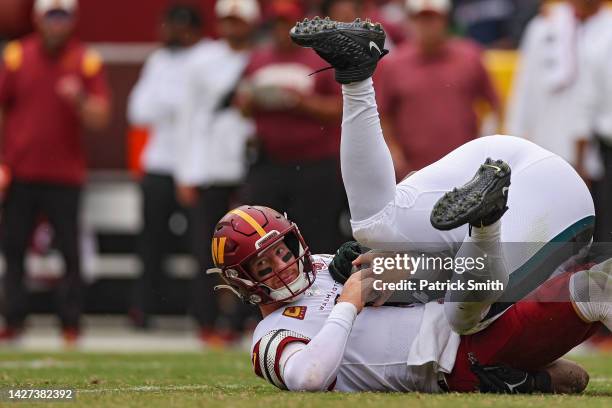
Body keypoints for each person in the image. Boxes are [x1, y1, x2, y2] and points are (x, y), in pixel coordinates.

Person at [208, 204, 609, 393]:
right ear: (243, 282)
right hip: (458, 353)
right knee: (594, 289)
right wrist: (349, 302)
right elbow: (310, 378)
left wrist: (391, 265)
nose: (282, 266)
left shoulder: (322, 265)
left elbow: (409, 285)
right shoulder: (270, 335)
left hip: (464, 313)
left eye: (281, 250)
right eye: (263, 267)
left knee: (574, 376)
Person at [0, 0, 110, 344]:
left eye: (63, 17)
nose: (57, 25)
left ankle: (71, 323)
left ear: (72, 21)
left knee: (70, 253)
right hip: (21, 171)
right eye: (51, 17)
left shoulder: (85, 61)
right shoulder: (17, 56)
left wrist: (78, 100)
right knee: (14, 249)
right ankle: (13, 319)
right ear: (38, 19)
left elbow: (100, 117)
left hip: (65, 175)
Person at [174, 0, 260, 345]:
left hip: (250, 164)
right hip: (210, 166)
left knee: (256, 249)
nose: (232, 27)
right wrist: (186, 172)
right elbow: (188, 119)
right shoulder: (201, 61)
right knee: (207, 250)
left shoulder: (262, 57)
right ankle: (206, 320)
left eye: (238, 20)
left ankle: (250, 318)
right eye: (226, 20)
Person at [235, 0, 345, 254]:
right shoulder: (257, 59)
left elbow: (339, 108)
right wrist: (252, 101)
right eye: (276, 24)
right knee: (264, 238)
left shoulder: (321, 58)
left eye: (287, 24)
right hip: (270, 162)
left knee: (316, 237)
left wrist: (300, 103)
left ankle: (322, 292)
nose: (280, 31)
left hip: (315, 165)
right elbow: (241, 107)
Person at [127, 3, 204, 329]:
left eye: (180, 26)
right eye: (170, 25)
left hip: (197, 165)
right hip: (159, 164)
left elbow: (197, 111)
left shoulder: (206, 58)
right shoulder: (158, 60)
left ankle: (204, 314)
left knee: (202, 243)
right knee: (151, 242)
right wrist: (175, 104)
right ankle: (143, 309)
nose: (174, 32)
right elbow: (138, 111)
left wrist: (171, 104)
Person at [375, 0, 501, 179]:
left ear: (445, 20)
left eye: (433, 18)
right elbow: (383, 115)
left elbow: (494, 103)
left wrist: (486, 145)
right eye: (421, 19)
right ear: (411, 21)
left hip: (466, 170)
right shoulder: (394, 65)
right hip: (414, 174)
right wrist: (394, 153)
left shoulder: (469, 56)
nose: (427, 25)